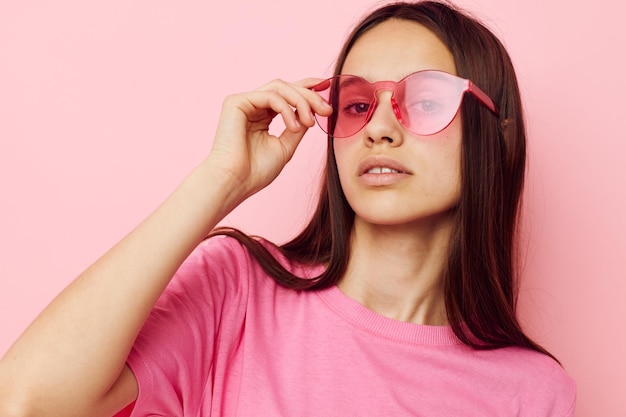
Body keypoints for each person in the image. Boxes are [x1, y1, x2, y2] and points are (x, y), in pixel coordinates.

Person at [0, 1, 576, 416]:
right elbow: (27, 401)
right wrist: (220, 180)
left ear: (493, 135)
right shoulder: (236, 288)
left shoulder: (532, 391)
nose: (379, 127)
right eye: (355, 104)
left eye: (423, 101)